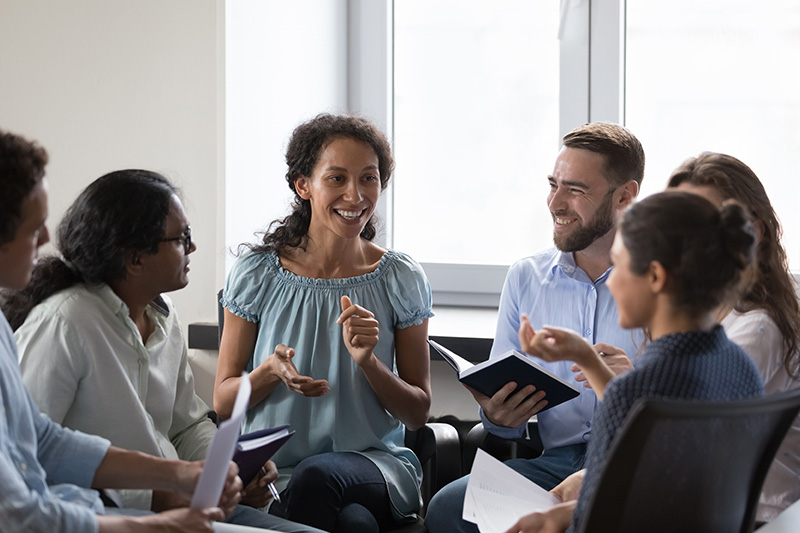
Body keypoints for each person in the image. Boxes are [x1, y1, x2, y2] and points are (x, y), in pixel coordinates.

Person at [5, 169, 320, 533]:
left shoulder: (163, 316)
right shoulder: (65, 323)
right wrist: (157, 496)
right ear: (135, 259)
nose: (193, 248)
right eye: (181, 237)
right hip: (105, 515)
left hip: (181, 500)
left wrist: (231, 469)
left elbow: (186, 426)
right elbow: (33, 457)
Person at [0, 128, 242, 532]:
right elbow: (18, 516)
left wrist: (182, 475)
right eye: (33, 227)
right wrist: (156, 518)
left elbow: (42, 440)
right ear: (133, 259)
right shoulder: (64, 322)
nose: (45, 239)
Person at [214, 113, 433, 533]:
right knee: (354, 524)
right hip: (276, 475)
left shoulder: (400, 278)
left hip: (374, 467)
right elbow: (224, 402)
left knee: (321, 478)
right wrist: (269, 372)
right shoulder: (256, 274)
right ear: (303, 186)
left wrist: (369, 361)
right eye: (337, 178)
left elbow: (417, 412)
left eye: (368, 178)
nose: (356, 195)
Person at [425, 122, 645, 533]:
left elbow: (686, 411)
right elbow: (499, 420)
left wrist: (634, 385)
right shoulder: (526, 277)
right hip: (554, 464)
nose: (555, 203)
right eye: (553, 184)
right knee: (448, 509)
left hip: (633, 464)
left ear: (625, 196)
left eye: (576, 190)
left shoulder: (658, 281)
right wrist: (497, 415)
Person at [507, 191, 765, 532]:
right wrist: (584, 355)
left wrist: (558, 517)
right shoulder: (738, 365)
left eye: (620, 265)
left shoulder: (639, 392)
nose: (610, 281)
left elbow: (596, 521)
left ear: (656, 277)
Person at [668, 152, 800, 522]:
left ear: (754, 232)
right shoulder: (718, 314)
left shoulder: (757, 329)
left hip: (750, 514)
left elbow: (680, 445)